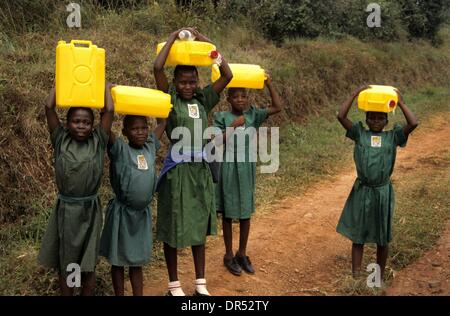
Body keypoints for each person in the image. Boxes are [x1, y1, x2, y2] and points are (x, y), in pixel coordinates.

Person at [153, 27, 233, 296]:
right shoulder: (169, 99)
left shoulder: (203, 99)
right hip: (177, 170)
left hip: (200, 170)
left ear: (198, 82)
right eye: (183, 81)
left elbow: (227, 74)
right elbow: (156, 68)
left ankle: (200, 283)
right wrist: (174, 37)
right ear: (175, 82)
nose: (188, 86)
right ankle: (174, 284)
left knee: (199, 224)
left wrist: (206, 43)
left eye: (192, 81)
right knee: (174, 224)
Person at [38, 83, 115, 295]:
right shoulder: (60, 139)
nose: (81, 126)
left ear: (93, 125)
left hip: (90, 210)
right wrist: (59, 82)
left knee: (88, 263)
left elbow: (109, 110)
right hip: (68, 211)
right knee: (69, 262)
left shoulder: (98, 140)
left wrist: (105, 87)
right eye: (76, 121)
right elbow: (48, 107)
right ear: (67, 124)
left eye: (86, 122)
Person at [336, 85, 418, 281]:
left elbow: (413, 123)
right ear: (366, 119)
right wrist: (355, 93)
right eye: (371, 117)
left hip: (382, 192)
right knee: (359, 235)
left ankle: (377, 277)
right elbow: (341, 116)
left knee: (382, 236)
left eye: (380, 118)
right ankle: (356, 278)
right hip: (362, 190)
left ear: (386, 120)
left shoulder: (393, 136)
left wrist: (401, 102)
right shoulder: (359, 134)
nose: (375, 121)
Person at [214, 75, 282, 276]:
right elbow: (217, 141)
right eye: (236, 97)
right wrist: (233, 126)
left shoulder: (253, 115)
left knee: (245, 211)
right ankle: (228, 255)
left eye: (244, 96)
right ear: (229, 99)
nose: (240, 100)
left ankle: (241, 253)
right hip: (228, 166)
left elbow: (277, 107)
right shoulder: (222, 118)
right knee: (227, 212)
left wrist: (268, 83)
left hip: (247, 167)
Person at [99, 114, 166, 296]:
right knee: (118, 260)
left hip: (141, 215)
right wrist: (106, 110)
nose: (141, 132)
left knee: (137, 262)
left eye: (144, 128)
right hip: (123, 213)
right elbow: (104, 130)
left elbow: (163, 123)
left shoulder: (150, 146)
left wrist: (161, 106)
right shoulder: (120, 148)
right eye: (135, 129)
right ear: (125, 132)